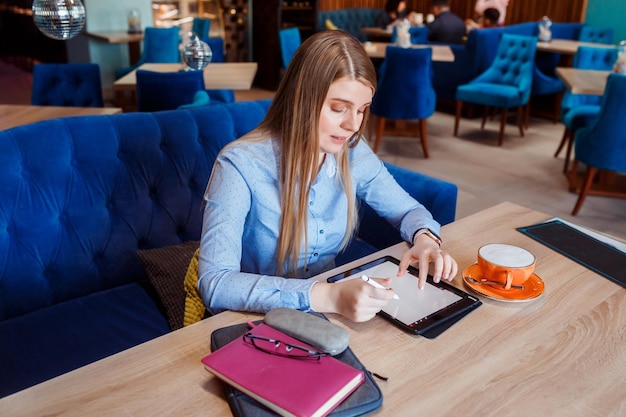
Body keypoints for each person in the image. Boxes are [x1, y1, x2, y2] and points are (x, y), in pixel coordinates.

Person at [197, 30, 458, 323]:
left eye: (361, 110)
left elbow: (407, 209)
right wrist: (330, 296)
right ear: (301, 99)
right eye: (338, 108)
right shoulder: (239, 164)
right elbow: (215, 283)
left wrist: (425, 238)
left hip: (329, 315)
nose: (352, 125)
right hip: (256, 318)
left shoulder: (352, 152)